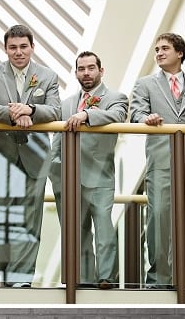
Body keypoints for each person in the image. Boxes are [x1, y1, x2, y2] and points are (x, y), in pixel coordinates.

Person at [0, 24, 61, 288]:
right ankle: (5, 269)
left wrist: (31, 110)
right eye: (13, 47)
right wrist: (14, 113)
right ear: (5, 49)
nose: (18, 52)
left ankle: (22, 277)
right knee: (0, 217)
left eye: (24, 47)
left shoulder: (48, 76)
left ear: (32, 47)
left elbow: (56, 110)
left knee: (30, 217)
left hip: (35, 156)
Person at [129, 33, 185, 288]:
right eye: (156, 49)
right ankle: (158, 280)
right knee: (159, 216)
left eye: (164, 48)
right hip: (162, 159)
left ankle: (180, 281)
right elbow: (136, 113)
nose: (158, 53)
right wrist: (146, 118)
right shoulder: (145, 84)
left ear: (180, 53)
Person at [50, 51, 128, 289]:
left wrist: (86, 114)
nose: (86, 73)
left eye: (91, 68)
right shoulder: (64, 104)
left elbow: (118, 115)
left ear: (101, 71)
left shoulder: (116, 97)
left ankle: (106, 278)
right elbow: (57, 141)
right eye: (81, 69)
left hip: (100, 175)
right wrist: (54, 171)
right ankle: (82, 280)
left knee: (104, 228)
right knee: (76, 233)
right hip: (68, 178)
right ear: (75, 73)